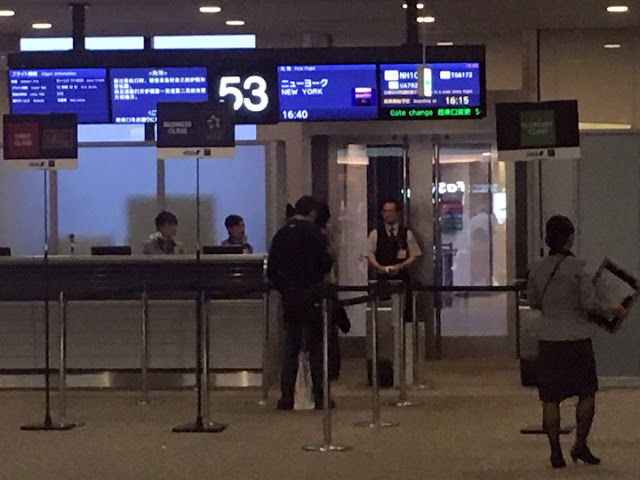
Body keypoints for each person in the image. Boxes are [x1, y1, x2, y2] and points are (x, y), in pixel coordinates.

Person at [527, 215, 629, 468]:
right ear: (570, 238)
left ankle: (555, 452)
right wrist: (613, 308)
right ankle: (580, 445)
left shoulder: (537, 268)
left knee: (550, 398)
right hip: (577, 338)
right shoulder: (580, 267)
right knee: (586, 393)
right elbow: (588, 303)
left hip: (548, 339)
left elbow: (534, 301)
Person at [267, 195, 333, 410]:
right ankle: (320, 395)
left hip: (290, 295)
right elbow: (325, 263)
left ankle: (287, 396)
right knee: (316, 347)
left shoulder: (281, 234)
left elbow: (272, 270)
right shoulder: (315, 233)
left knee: (291, 347)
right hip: (312, 293)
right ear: (312, 212)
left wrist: (285, 288)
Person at [366, 200, 422, 320]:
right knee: (382, 314)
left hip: (402, 278)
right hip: (382, 279)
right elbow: (369, 254)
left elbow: (415, 255)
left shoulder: (407, 233)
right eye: (385, 211)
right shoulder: (375, 234)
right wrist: (380, 267)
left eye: (390, 211)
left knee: (404, 312)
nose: (387, 214)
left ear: (397, 213)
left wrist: (401, 266)